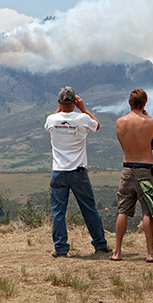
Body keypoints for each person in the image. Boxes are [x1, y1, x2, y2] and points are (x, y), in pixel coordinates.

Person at [44, 86, 110, 258]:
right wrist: (84, 108)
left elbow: (50, 123)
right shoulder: (82, 118)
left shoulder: (52, 119)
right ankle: (100, 244)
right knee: (89, 209)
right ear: (75, 102)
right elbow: (97, 125)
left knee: (58, 212)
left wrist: (60, 108)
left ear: (59, 102)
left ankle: (60, 248)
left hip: (58, 171)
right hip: (78, 172)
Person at [110, 88, 153, 263]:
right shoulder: (152, 122)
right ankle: (151, 252)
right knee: (148, 209)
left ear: (129, 103)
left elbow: (124, 145)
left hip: (127, 168)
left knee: (123, 210)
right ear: (145, 103)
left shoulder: (120, 122)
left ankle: (117, 252)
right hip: (145, 168)